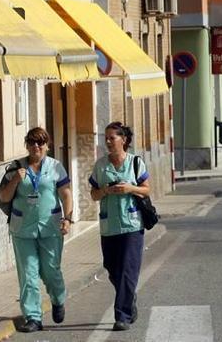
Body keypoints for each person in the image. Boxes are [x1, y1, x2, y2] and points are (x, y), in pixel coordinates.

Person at [0, 127, 73, 333]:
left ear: (47, 145)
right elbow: (4, 197)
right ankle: (33, 316)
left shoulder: (56, 167)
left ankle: (58, 299)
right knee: (28, 274)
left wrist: (68, 218)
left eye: (40, 142)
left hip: (50, 227)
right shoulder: (15, 168)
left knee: (51, 271)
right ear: (26, 145)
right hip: (22, 229)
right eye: (31, 142)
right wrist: (15, 180)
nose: (36, 146)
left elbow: (66, 193)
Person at [89, 122, 151, 331]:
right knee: (112, 269)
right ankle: (129, 296)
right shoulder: (100, 165)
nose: (107, 141)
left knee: (127, 270)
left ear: (123, 140)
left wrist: (129, 188)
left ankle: (122, 315)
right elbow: (94, 194)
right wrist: (105, 191)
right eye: (105, 138)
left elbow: (147, 190)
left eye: (111, 137)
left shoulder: (135, 163)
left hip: (132, 225)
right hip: (109, 226)